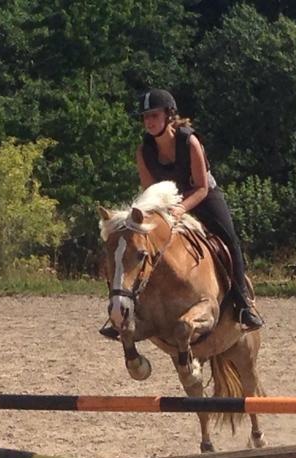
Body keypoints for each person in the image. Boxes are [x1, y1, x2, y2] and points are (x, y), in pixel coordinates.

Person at [111, 88, 263, 332]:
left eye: (154, 115)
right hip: (167, 206)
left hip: (203, 197)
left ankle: (243, 303)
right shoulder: (144, 152)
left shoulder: (189, 141)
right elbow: (150, 193)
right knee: (137, 246)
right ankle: (126, 309)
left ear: (169, 115)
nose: (148, 122)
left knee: (229, 239)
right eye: (145, 117)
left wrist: (181, 209)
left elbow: (201, 188)